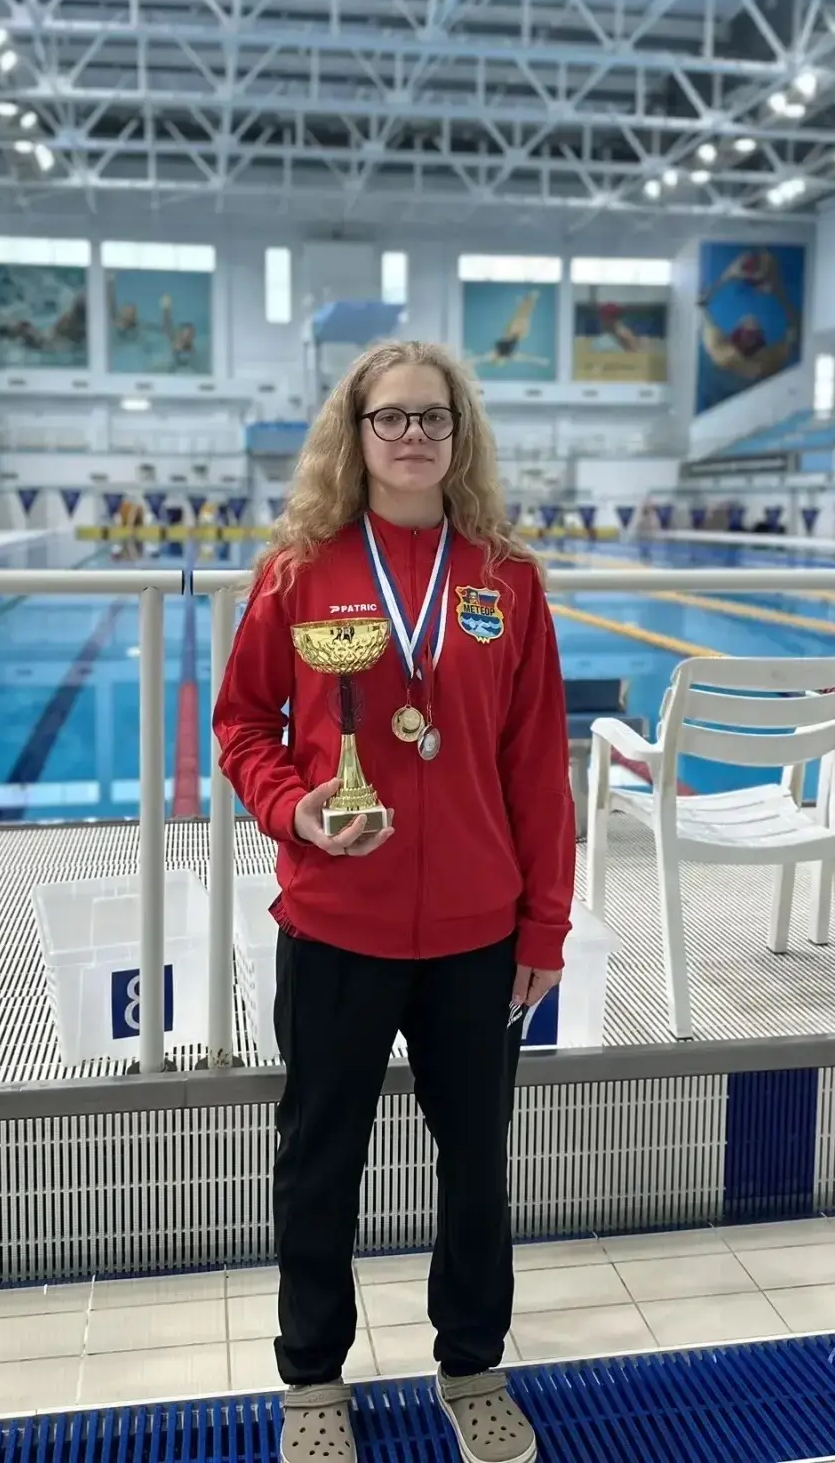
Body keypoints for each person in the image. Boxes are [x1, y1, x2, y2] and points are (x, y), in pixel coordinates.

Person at [213, 340, 575, 1463]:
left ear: (459, 434)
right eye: (391, 417)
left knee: (477, 1162)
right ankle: (313, 1378)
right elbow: (241, 725)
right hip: (336, 922)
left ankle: (471, 1364)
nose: (413, 435)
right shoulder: (299, 573)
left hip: (477, 932)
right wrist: (296, 808)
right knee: (320, 1158)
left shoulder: (506, 579)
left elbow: (536, 765)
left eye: (433, 416)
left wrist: (545, 925)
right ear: (355, 432)